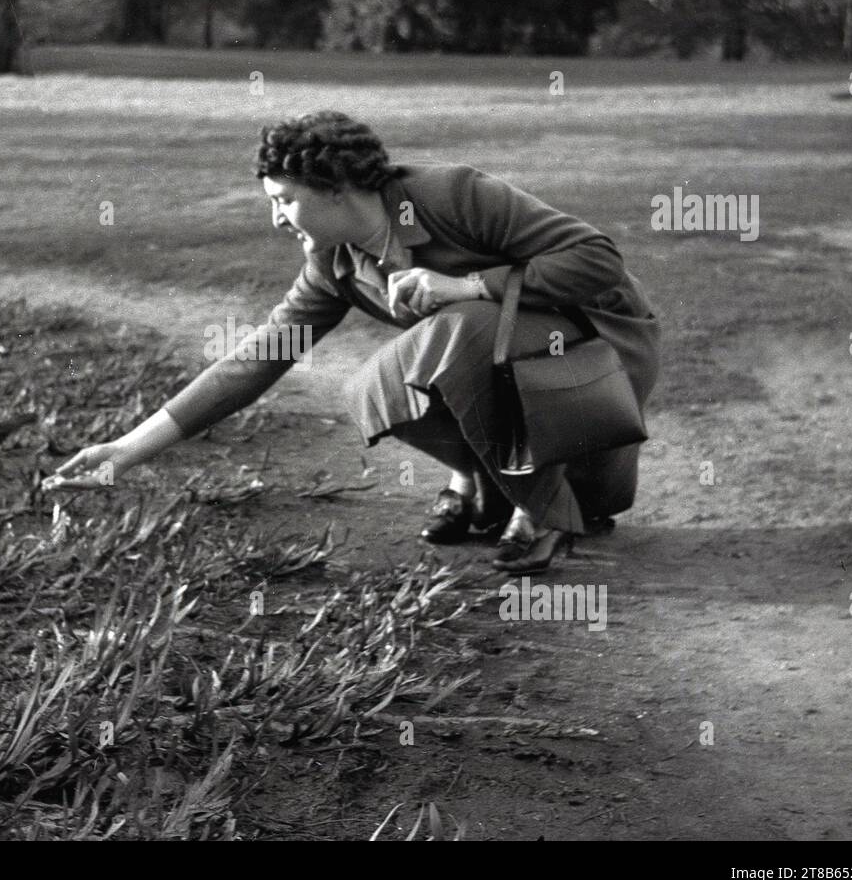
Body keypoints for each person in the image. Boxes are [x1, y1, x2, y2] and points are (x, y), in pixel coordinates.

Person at [46, 111, 660, 573]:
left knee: (456, 329)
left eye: (285, 201)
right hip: (510, 370)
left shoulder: (449, 194)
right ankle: (486, 482)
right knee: (372, 388)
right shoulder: (334, 263)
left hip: (593, 350)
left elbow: (597, 258)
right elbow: (258, 358)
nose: (276, 219)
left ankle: (543, 510)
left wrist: (466, 283)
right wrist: (127, 449)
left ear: (336, 188)